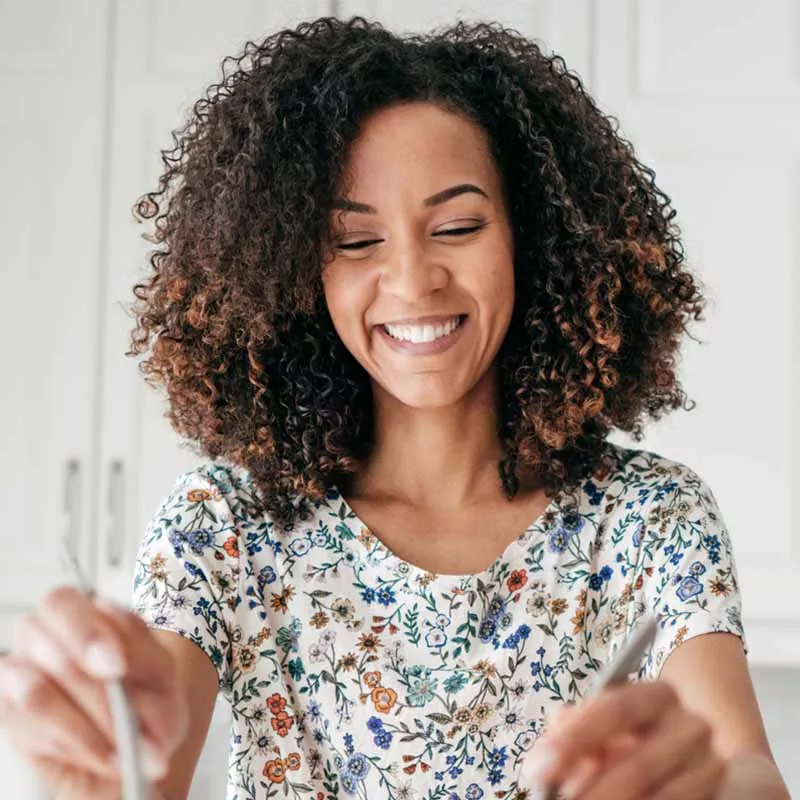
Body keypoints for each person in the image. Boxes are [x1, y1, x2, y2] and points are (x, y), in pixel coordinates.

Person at [0, 15, 789, 800]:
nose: (413, 280)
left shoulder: (651, 518)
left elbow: (748, 769)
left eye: (456, 226)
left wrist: (709, 789)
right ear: (293, 271)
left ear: (536, 238)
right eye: (355, 241)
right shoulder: (227, 526)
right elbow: (135, 758)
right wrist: (91, 770)